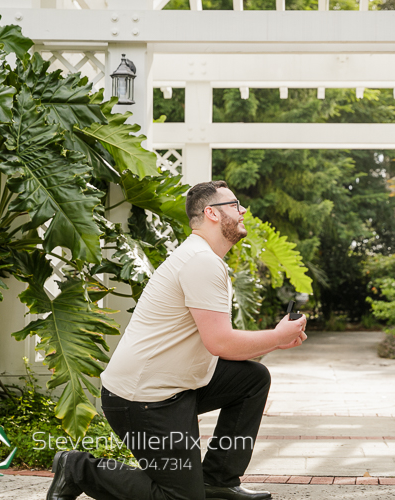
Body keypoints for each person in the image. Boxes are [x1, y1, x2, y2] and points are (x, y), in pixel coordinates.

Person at [46, 180, 308, 500]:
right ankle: (77, 468)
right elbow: (220, 344)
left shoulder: (202, 257)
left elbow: (217, 343)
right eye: (235, 205)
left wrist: (275, 341)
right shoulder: (201, 261)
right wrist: (277, 336)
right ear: (211, 213)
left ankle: (218, 479)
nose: (243, 211)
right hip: (141, 399)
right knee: (180, 497)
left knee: (251, 379)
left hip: (174, 387)